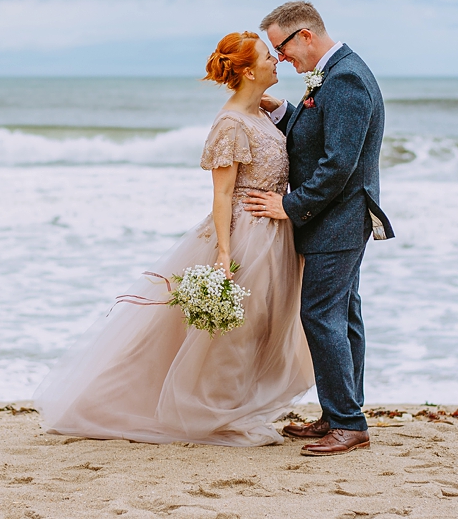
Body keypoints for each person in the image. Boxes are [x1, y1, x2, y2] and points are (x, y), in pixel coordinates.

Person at [33, 31, 314, 446]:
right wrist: (224, 252)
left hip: (275, 233)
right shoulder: (231, 123)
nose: (277, 60)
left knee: (261, 328)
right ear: (250, 70)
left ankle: (238, 406)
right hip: (246, 235)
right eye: (267, 57)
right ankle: (215, 415)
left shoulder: (258, 113)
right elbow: (221, 193)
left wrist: (269, 105)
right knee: (233, 333)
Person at [245, 0, 394, 457]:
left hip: (340, 220)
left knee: (321, 315)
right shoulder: (333, 75)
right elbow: (320, 133)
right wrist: (283, 111)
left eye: (282, 48)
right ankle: (340, 414)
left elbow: (338, 165)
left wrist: (289, 205)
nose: (282, 59)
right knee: (344, 316)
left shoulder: (346, 78)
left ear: (305, 35)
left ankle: (349, 424)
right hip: (338, 219)